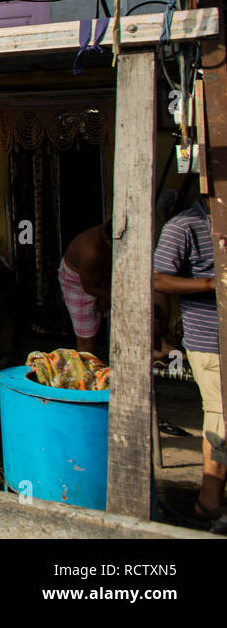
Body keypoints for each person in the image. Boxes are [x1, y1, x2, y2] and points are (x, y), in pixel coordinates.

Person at [153, 196, 224, 525]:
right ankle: (208, 502)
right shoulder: (184, 226)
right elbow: (159, 280)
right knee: (221, 417)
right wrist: (214, 284)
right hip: (210, 342)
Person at [59, 221, 112, 357]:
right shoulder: (91, 251)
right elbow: (89, 288)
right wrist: (112, 297)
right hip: (78, 283)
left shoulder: (113, 231)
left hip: (102, 279)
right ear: (107, 240)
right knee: (86, 342)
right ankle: (86, 373)